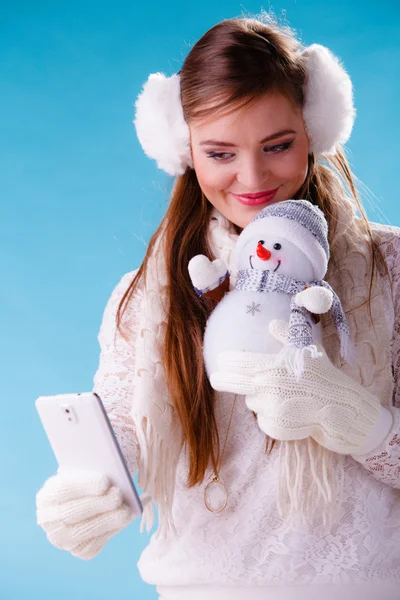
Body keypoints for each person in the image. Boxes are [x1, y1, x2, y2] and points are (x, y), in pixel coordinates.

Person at [36, 14, 400, 600]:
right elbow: (128, 432)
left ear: (316, 131)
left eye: (278, 145)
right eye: (220, 152)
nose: (252, 177)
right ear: (185, 152)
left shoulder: (390, 268)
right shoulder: (148, 296)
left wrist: (363, 423)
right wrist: (86, 493)